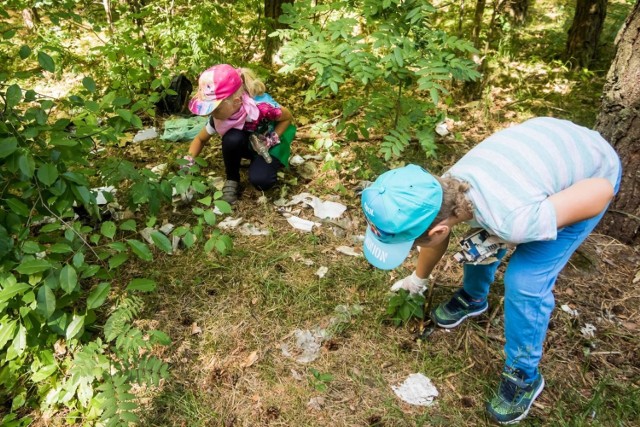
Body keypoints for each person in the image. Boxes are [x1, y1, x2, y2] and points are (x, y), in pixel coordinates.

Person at [360, 117, 621, 424]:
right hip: (544, 155)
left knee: (525, 280)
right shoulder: (443, 188)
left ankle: (524, 373)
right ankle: (473, 297)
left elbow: (601, 191)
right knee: (484, 238)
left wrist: (537, 221)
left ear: (439, 230)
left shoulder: (513, 220)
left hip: (591, 175)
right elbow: (438, 240)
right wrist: (418, 279)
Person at [185, 64, 295, 204]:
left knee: (262, 181)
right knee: (232, 139)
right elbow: (200, 139)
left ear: (236, 102)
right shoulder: (219, 118)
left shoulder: (262, 108)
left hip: (270, 144)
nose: (212, 114)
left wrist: (271, 139)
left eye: (215, 109)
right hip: (249, 143)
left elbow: (287, 117)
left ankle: (266, 163)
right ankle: (232, 179)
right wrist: (187, 163)